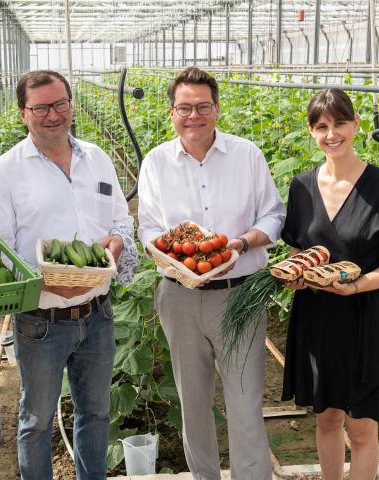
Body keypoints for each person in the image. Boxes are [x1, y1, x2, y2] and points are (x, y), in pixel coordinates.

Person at [0, 70, 137, 479]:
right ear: (23, 113)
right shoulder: (4, 172)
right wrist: (44, 281)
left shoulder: (97, 157)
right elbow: (0, 252)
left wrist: (118, 243)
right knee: (36, 421)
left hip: (98, 313)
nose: (53, 115)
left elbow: (121, 217)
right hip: (41, 321)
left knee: (96, 413)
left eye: (61, 104)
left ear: (71, 104)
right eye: (41, 108)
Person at [137, 67, 285, 480]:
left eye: (203, 106)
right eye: (184, 107)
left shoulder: (247, 155)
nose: (194, 115)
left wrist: (239, 243)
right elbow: (148, 227)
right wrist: (171, 255)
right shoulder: (156, 163)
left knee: (244, 401)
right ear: (172, 113)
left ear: (217, 109)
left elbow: (273, 214)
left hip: (240, 293)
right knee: (193, 400)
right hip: (179, 294)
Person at [281, 88, 379, 480]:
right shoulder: (301, 188)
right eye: (322, 126)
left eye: (340, 123)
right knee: (326, 418)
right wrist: (295, 274)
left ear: (356, 124)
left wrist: (357, 286)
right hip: (317, 319)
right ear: (311, 131)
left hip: (363, 317)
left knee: (361, 427)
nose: (332, 134)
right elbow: (298, 251)